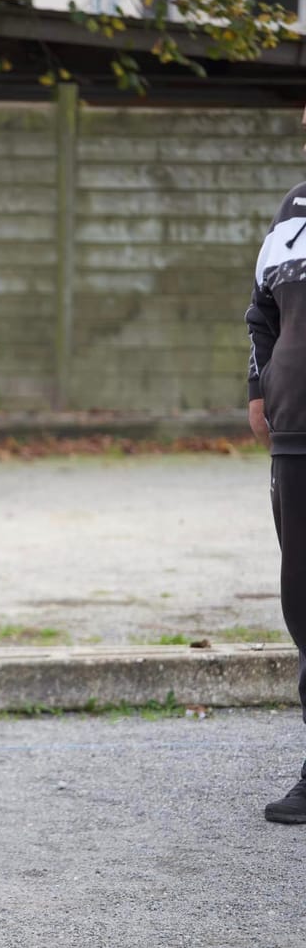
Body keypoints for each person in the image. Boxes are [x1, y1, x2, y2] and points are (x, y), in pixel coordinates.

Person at [246, 106, 306, 823]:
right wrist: (259, 387)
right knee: (304, 604)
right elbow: (261, 310)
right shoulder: (293, 207)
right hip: (295, 431)